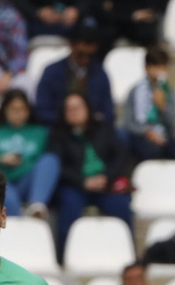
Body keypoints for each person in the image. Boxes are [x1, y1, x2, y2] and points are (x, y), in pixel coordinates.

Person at [50, 91, 133, 260]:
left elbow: (119, 157)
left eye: (77, 107)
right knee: (68, 207)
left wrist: (106, 178)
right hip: (75, 186)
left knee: (121, 205)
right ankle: (63, 257)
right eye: (69, 109)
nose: (74, 111)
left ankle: (130, 256)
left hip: (106, 185)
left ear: (88, 108)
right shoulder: (58, 135)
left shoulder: (105, 129)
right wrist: (83, 182)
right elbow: (58, 166)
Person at [0, 89, 59, 219]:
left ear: (28, 110)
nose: (18, 113)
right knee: (4, 194)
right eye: (13, 109)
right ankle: (23, 228)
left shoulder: (40, 132)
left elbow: (45, 166)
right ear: (4, 109)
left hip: (29, 181)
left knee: (50, 160)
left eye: (22, 109)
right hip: (2, 181)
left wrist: (25, 162)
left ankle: (37, 206)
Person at [33, 23, 114, 127]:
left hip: (92, 130)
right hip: (58, 128)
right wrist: (69, 118)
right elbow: (42, 110)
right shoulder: (52, 72)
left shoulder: (100, 74)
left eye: (90, 55)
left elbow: (109, 113)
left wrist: (89, 120)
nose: (85, 59)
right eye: (81, 54)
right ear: (71, 46)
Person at [121, 46, 175, 161]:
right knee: (150, 151)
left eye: (162, 66)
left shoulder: (169, 92)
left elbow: (172, 124)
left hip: (164, 134)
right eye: (155, 66)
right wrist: (148, 132)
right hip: (141, 135)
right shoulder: (135, 91)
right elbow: (128, 122)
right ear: (146, 67)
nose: (158, 71)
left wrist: (162, 107)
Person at [95, 0, 165, 52]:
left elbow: (150, 3)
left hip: (138, 21)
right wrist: (130, 14)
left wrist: (116, 6)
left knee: (148, 30)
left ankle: (151, 62)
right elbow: (101, 7)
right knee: (104, 32)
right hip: (113, 21)